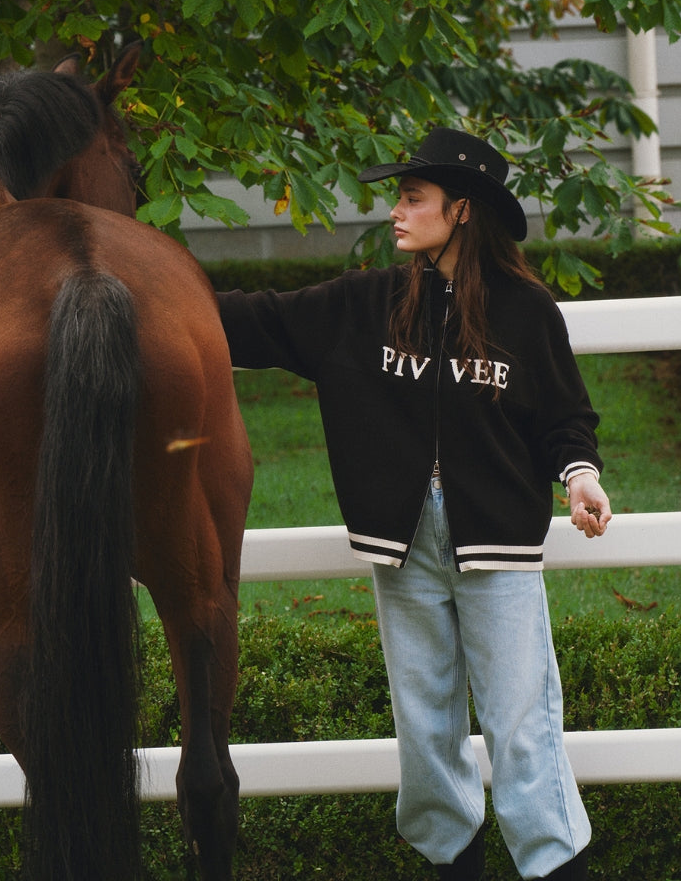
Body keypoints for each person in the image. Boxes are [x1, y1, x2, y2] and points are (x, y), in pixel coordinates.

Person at [217, 127, 611, 880]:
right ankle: (449, 865)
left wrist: (580, 478)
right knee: (426, 733)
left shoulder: (526, 312)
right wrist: (144, 283)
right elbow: (255, 319)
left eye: (411, 198)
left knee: (522, 729)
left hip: (496, 550)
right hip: (403, 549)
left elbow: (565, 419)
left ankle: (555, 866)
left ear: (461, 210)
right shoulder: (364, 305)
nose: (395, 211)